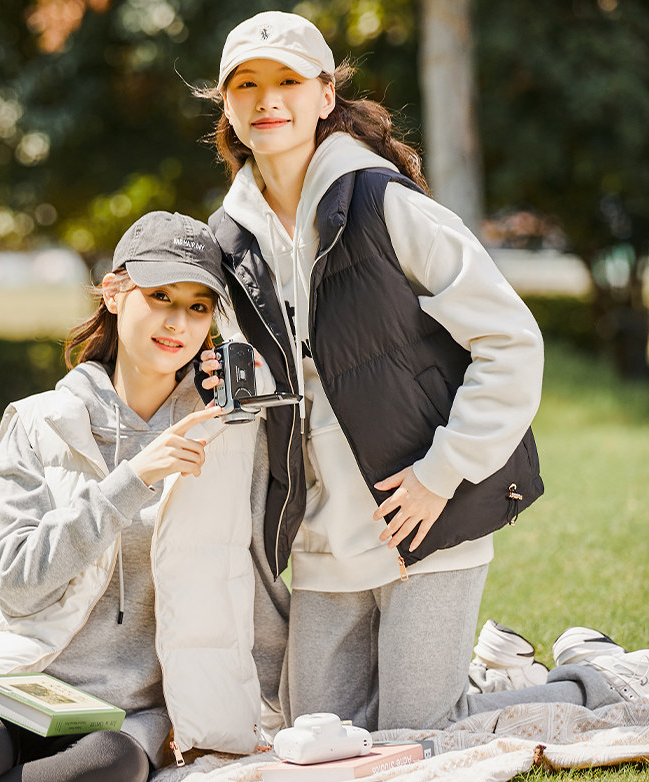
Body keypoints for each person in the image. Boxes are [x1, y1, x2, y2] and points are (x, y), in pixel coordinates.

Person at [196, 10, 649, 734]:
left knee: (421, 731)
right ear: (226, 104)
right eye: (246, 84)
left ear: (323, 95)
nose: (267, 99)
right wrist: (224, 388)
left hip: (428, 518)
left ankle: (598, 679)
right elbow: (252, 390)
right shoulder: (226, 246)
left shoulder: (383, 206)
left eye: (287, 80)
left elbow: (511, 341)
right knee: (318, 734)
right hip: (322, 541)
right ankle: (494, 671)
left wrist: (443, 472)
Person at [0, 211, 268, 782]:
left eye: (199, 306)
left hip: (128, 710)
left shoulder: (223, 437)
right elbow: (13, 579)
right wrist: (129, 483)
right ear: (117, 293)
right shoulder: (40, 422)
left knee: (107, 768)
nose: (179, 321)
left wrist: (269, 709)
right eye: (161, 296)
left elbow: (252, 575)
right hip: (26, 677)